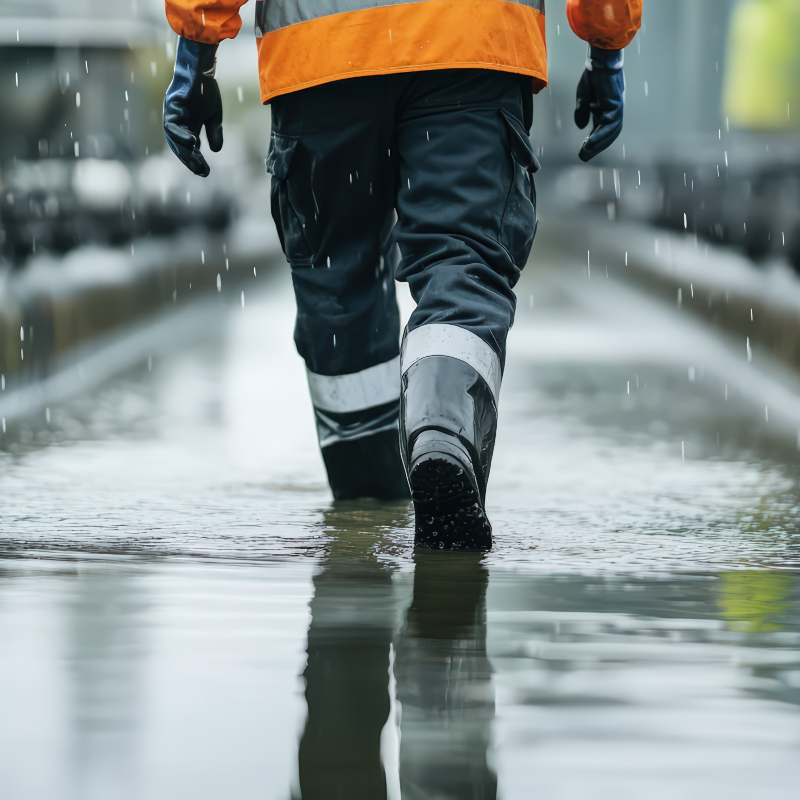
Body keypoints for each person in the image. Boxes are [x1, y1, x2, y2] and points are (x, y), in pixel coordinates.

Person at [163, 0, 643, 550]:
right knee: (461, 263)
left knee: (337, 282)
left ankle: (365, 530)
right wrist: (606, 44)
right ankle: (444, 433)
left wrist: (197, 53)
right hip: (471, 42)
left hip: (321, 51)